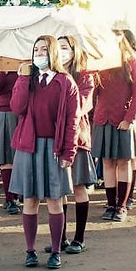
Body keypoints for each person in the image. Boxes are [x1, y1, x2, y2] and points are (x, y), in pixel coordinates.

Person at [9, 35, 79, 270]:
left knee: (54, 200)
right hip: (28, 146)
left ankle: (56, 250)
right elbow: (16, 107)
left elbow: (72, 121)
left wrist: (69, 152)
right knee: (29, 200)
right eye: (36, 50)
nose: (39, 54)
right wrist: (22, 78)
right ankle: (30, 251)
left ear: (54, 53)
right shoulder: (28, 80)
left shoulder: (66, 83)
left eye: (44, 50)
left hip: (54, 148)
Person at [92, 31, 136, 223]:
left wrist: (129, 118)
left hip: (123, 120)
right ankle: (110, 204)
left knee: (123, 162)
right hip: (102, 119)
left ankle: (122, 205)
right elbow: (93, 92)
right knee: (106, 163)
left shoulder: (132, 63)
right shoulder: (101, 63)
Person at [52, 34, 96, 252]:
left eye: (65, 47)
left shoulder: (85, 76)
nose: (61, 52)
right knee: (59, 190)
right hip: (54, 139)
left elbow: (81, 105)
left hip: (77, 138)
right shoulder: (51, 75)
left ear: (74, 50)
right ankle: (59, 238)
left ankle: (79, 238)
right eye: (57, 48)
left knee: (78, 187)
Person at [0, 68, 21, 214]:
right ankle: (10, 198)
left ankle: (22, 193)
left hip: (24, 109)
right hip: (4, 110)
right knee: (6, 157)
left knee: (22, 157)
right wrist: (3, 72)